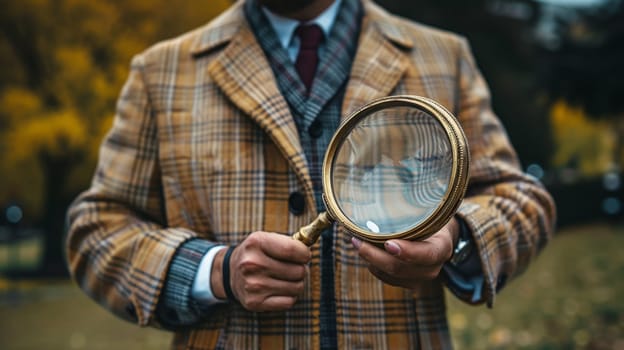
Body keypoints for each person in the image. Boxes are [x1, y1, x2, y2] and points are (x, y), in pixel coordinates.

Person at [65, 0, 556, 348]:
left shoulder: (443, 56)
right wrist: (215, 270)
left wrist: (454, 237)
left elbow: (520, 200)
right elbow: (97, 229)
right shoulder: (161, 72)